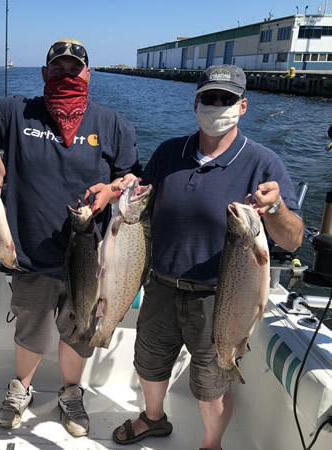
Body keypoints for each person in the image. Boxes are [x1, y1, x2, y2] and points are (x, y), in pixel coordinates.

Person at [0, 38, 141, 437]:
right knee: (30, 329)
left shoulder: (111, 122)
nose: (67, 76)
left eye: (75, 69)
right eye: (58, 69)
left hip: (87, 254)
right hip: (30, 254)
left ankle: (71, 393)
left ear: (88, 74)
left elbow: (133, 176)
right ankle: (22, 389)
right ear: (44, 74)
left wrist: (113, 191)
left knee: (78, 329)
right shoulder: (19, 111)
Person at [112, 64, 304, 449]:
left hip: (222, 296)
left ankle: (211, 444)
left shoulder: (262, 162)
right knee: (148, 362)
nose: (217, 105)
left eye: (227, 99)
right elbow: (141, 207)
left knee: (212, 380)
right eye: (210, 98)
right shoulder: (169, 152)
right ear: (195, 102)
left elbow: (295, 239)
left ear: (243, 106)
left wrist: (278, 207)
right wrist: (124, 190)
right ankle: (153, 418)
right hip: (161, 286)